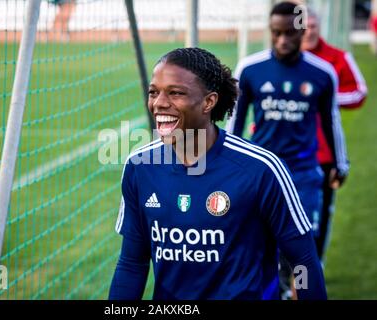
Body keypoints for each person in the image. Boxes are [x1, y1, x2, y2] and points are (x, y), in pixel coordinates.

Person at [108, 47, 327, 300]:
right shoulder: (139, 166)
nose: (159, 103)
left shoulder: (262, 168)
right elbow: (132, 263)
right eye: (153, 92)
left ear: (208, 102)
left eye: (175, 93)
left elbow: (304, 259)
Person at [226, 1, 348, 299]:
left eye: (290, 34)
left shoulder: (322, 73)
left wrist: (339, 163)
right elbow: (234, 126)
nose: (283, 40)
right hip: (263, 175)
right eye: (276, 33)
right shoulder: (251, 69)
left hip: (304, 174)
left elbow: (331, 120)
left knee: (303, 250)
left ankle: (301, 293)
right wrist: (229, 166)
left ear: (303, 31)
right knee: (262, 245)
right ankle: (275, 292)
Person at [301, 9, 368, 261]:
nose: (309, 30)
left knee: (318, 217)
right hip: (282, 153)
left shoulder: (336, 59)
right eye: (304, 26)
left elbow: (360, 92)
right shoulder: (281, 63)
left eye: (313, 25)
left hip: (322, 154)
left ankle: (312, 272)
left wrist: (326, 100)